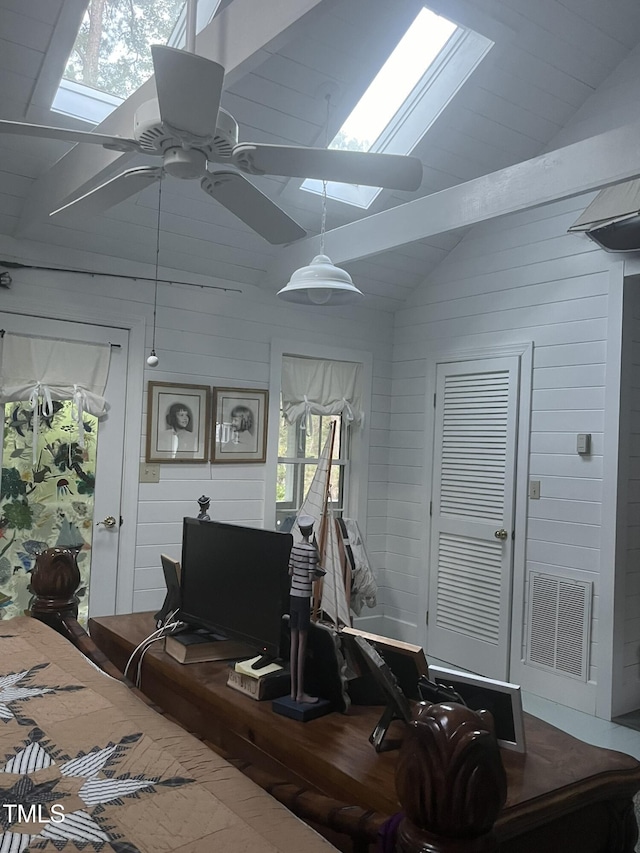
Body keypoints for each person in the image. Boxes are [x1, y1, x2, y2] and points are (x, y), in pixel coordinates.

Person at [288, 515, 325, 704]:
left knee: (293, 644)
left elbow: (290, 572)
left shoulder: (294, 548)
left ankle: (293, 692)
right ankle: (300, 693)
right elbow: (312, 576)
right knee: (302, 645)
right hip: (303, 599)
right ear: (310, 531)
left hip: (292, 596)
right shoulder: (311, 551)